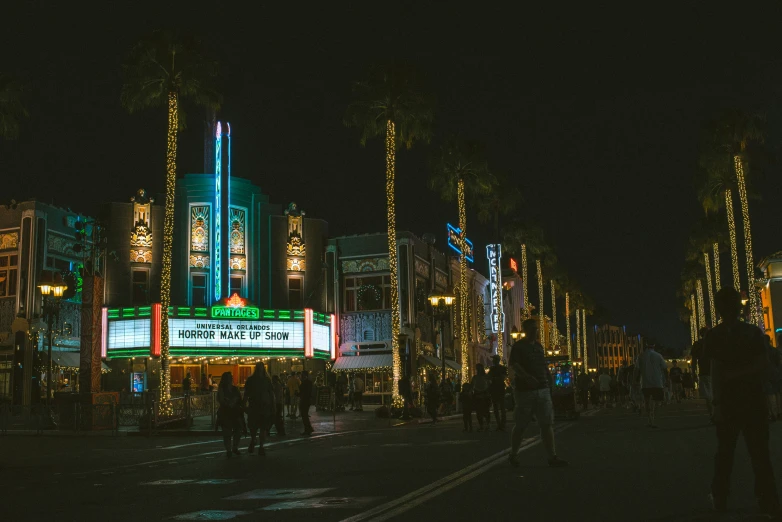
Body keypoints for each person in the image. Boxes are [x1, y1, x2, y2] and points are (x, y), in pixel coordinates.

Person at [706, 287, 780, 515]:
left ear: (718, 309)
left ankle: (720, 498)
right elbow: (763, 364)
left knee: (725, 453)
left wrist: (717, 403)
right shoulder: (753, 333)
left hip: (728, 402)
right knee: (759, 453)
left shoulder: (714, 335)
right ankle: (768, 501)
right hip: (754, 399)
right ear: (740, 307)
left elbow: (715, 371)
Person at [508, 318, 568, 468]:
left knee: (547, 423)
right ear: (526, 330)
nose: (535, 332)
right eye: (532, 329)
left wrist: (549, 382)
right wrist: (527, 377)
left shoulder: (539, 347)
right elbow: (514, 364)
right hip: (525, 392)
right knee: (521, 424)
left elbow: (543, 366)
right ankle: (513, 453)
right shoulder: (519, 347)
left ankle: (552, 456)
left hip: (543, 389)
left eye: (536, 329)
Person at [243, 362, 274, 455]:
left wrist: (244, 405)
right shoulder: (266, 380)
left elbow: (246, 393)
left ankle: (259, 444)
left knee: (259, 427)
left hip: (258, 406)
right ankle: (257, 443)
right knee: (257, 427)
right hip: (259, 406)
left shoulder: (254, 380)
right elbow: (271, 394)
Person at [637, 342, 667, 428]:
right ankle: (654, 419)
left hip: (645, 382)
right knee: (657, 401)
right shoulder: (659, 356)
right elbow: (664, 368)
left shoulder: (641, 356)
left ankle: (650, 419)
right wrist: (667, 380)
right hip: (657, 382)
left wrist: (634, 381)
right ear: (654, 347)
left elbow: (636, 370)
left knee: (646, 401)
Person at [216, 372, 243, 457]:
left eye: (230, 378)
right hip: (226, 411)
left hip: (235, 411)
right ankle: (229, 449)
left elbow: (240, 398)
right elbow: (220, 400)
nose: (230, 379)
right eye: (229, 378)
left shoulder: (235, 388)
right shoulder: (222, 389)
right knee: (227, 432)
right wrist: (228, 403)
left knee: (238, 430)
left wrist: (236, 402)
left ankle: (234, 447)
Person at [691, 327, 713, 417]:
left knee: (708, 395)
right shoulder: (713, 343)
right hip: (714, 370)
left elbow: (694, 360)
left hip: (704, 371)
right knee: (714, 392)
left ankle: (712, 413)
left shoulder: (697, 344)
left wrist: (694, 373)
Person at [488, 354, 508, 430]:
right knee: (496, 407)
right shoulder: (492, 368)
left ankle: (503, 424)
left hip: (500, 388)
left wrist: (495, 378)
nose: (493, 361)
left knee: (502, 407)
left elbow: (504, 377)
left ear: (497, 360)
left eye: (494, 359)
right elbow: (489, 377)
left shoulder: (502, 368)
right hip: (494, 389)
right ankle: (499, 424)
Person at [472, 364, 492, 431]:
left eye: (479, 368)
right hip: (477, 394)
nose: (478, 370)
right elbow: (472, 386)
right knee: (478, 411)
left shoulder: (486, 377)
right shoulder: (475, 377)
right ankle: (481, 425)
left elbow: (489, 385)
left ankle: (488, 424)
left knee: (486, 411)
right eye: (477, 368)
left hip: (484, 395)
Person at [299, 370, 314, 436]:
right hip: (307, 400)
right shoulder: (309, 382)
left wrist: (297, 393)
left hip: (304, 400)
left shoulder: (304, 383)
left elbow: (302, 392)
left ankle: (307, 429)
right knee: (305, 415)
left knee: (304, 415)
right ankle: (308, 428)